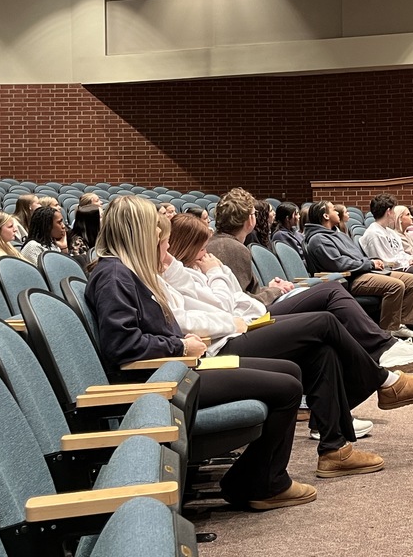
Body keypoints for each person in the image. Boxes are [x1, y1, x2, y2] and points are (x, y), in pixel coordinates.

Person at [84, 196, 315, 509]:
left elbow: (146, 331)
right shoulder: (113, 276)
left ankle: (256, 478)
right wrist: (180, 345)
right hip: (161, 382)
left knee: (290, 371)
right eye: (162, 244)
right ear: (141, 239)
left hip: (176, 368)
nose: (167, 255)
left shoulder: (125, 272)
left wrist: (182, 340)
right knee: (287, 387)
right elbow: (123, 346)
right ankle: (260, 483)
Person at [169, 213, 413, 373]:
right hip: (234, 334)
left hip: (251, 316)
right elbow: (227, 308)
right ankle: (384, 356)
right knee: (327, 309)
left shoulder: (202, 265)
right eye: (202, 247)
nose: (207, 253)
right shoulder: (194, 270)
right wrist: (220, 274)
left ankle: (337, 433)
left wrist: (227, 277)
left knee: (328, 308)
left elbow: (239, 298)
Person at [208, 189, 413, 356]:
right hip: (252, 318)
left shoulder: (224, 244)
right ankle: (384, 346)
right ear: (250, 219)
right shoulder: (231, 248)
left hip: (258, 307)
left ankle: (383, 346)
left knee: (331, 301)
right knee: (331, 292)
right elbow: (238, 304)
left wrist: (270, 288)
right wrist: (273, 291)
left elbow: (241, 292)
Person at [303, 201, 413, 340]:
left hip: (361, 271)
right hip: (349, 278)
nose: (337, 212)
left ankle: (400, 325)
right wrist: (369, 264)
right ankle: (388, 331)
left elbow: (355, 258)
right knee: (396, 286)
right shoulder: (319, 239)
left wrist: (370, 262)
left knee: (412, 280)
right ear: (325, 216)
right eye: (333, 210)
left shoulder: (336, 234)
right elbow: (339, 264)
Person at [360, 195, 413, 331]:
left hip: (403, 265)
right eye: (394, 209)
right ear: (389, 211)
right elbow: (384, 260)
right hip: (390, 270)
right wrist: (406, 261)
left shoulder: (390, 232)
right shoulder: (373, 233)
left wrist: (409, 259)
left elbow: (400, 253)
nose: (394, 213)